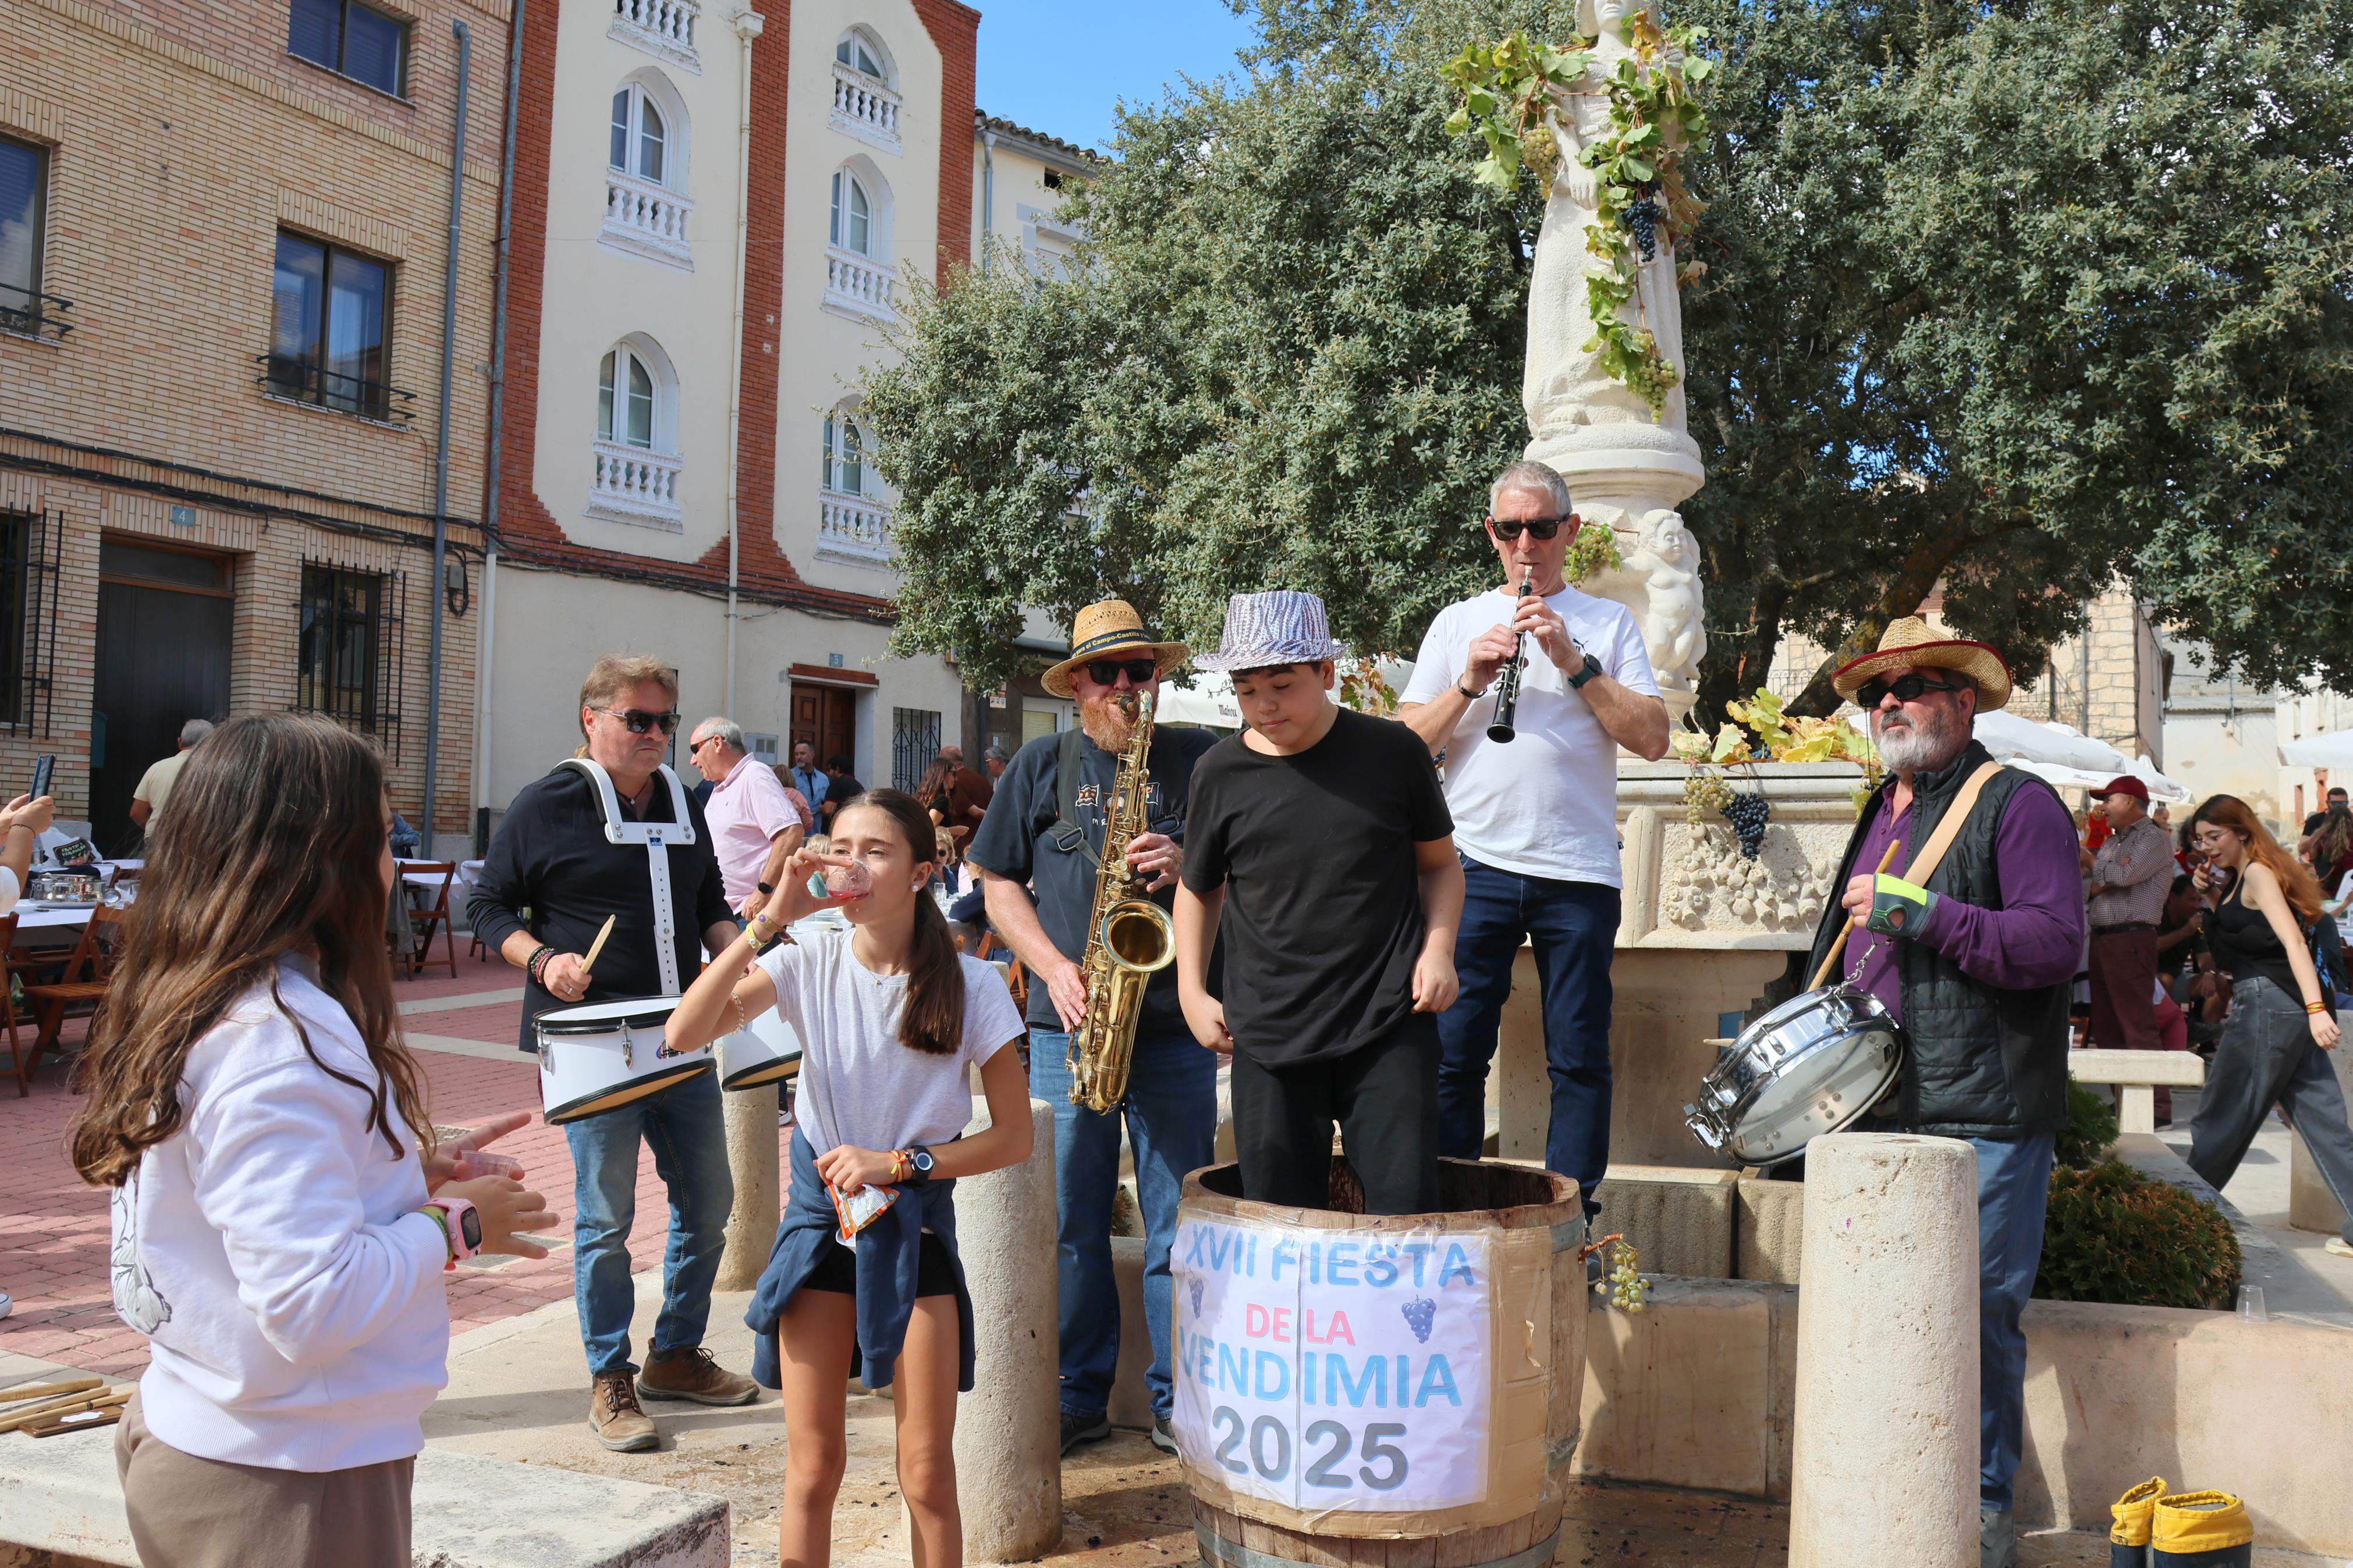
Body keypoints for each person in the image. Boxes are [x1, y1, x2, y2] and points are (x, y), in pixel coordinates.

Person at [72, 713, 554, 1568]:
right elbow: (310, 1303)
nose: (392, 861)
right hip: (284, 1482)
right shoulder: (279, 1046)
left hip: (228, 1437)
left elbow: (228, 1186)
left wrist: (399, 1165)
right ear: (314, 860)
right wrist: (455, 1224)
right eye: (379, 836)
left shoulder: (207, 997)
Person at [664, 789, 1031, 1568]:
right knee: (812, 1468)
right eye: (838, 845)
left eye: (874, 849)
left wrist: (899, 1163)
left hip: (914, 1225)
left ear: (922, 870)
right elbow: (684, 1029)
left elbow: (1013, 1135)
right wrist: (767, 918)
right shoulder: (806, 957)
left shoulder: (975, 983)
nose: (849, 863)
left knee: (927, 1472)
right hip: (819, 1227)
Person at [1802, 617, 2084, 1568]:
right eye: (1872, 693)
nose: (1887, 703)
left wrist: (1922, 911)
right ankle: (1892, 1512)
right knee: (1886, 1323)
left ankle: (1978, 1521)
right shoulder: (1880, 807)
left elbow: (2053, 947)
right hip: (1875, 1107)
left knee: (1973, 1321)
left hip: (1986, 1113)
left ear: (1963, 702)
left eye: (1913, 685)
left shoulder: (2017, 804)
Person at [469, 655, 757, 1452]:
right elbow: (485, 903)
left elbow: (707, 903)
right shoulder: (546, 802)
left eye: (666, 721)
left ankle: (674, 1352)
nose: (657, 735)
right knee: (606, 1219)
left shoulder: (681, 800)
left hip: (681, 1033)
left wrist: (742, 953)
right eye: (639, 719)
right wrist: (541, 959)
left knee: (709, 1199)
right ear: (591, 718)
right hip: (593, 1044)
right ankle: (609, 1373)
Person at [968, 599, 1215, 1456]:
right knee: (1071, 1219)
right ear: (1075, 682)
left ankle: (1176, 1399)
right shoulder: (1039, 762)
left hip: (1172, 1025)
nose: (1124, 686)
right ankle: (1077, 1391)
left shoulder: (1198, 758)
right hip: (1066, 1022)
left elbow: (1251, 867)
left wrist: (1192, 865)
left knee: (1179, 1221)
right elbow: (995, 881)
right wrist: (1050, 964)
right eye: (1105, 672)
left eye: (1139, 670)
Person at [1397, 460, 1670, 1211]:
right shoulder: (1456, 622)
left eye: (1541, 527)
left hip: (1576, 871)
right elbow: (1402, 747)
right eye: (1509, 528)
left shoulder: (1607, 623)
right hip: (1470, 865)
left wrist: (1572, 661)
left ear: (1568, 531)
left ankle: (1569, 1218)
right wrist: (1466, 682)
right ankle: (1446, 1207)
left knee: (1578, 1056)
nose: (1526, 543)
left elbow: (1652, 738)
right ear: (1491, 533)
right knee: (1452, 1054)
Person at [1176, 591, 1465, 1218]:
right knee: (1278, 1226)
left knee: (1405, 1222)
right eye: (1246, 690)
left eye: (1281, 684)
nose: (1264, 705)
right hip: (1267, 1033)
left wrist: (1439, 949)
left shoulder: (1394, 753)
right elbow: (1198, 888)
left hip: (1390, 1024)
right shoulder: (1217, 772)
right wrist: (1191, 993)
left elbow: (1441, 866)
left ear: (1326, 673)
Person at [2185, 795, 2353, 1262]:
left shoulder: (2257, 872)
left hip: (2272, 1006)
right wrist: (2209, 895)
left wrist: (2318, 1008)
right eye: (2200, 840)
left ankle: (2182, 1210)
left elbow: (2293, 942)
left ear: (2241, 830)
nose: (2207, 847)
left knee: (2223, 1112)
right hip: (2282, 1008)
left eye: (2214, 836)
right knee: (2323, 1122)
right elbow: (2237, 948)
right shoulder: (2242, 877)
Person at [690, 717, 807, 927]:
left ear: (717, 743)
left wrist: (763, 890)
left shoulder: (754, 777)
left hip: (750, 913)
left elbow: (791, 832)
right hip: (728, 912)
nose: (693, 760)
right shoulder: (724, 784)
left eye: (695, 749)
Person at [2085, 777, 2173, 1053]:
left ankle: (2155, 1098)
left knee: (2137, 1025)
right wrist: (2109, 871)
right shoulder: (2112, 845)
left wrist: (2093, 863)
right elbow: (2087, 890)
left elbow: (2126, 875)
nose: (2103, 807)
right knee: (2107, 1026)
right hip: (2103, 940)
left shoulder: (2154, 837)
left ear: (2130, 801)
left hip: (2131, 939)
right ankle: (2122, 1097)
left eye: (2109, 799)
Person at [129, 719, 213, 834]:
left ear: (180, 742)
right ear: (212, 744)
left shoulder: (156, 768)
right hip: (197, 840)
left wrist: (156, 832)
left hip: (157, 839)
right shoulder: (216, 771)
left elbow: (137, 813)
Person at [939, 745, 993, 837]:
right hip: (985, 837)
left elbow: (975, 812)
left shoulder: (955, 782)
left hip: (964, 841)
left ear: (947, 761)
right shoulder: (982, 780)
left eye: (940, 761)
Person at [787, 741, 830, 820]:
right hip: (798, 828)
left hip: (817, 829)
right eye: (796, 754)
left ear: (812, 755)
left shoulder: (823, 779)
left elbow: (826, 805)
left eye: (802, 753)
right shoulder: (789, 777)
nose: (799, 757)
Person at [820, 755, 864, 825]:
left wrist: (818, 807)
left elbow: (828, 810)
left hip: (838, 827)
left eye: (829, 770)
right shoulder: (857, 785)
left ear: (837, 769)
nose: (827, 773)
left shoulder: (837, 783)